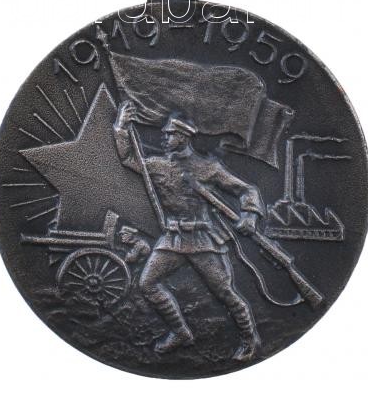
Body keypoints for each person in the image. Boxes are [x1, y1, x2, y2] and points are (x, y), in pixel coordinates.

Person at [113, 100, 263, 361]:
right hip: (172, 238)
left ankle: (250, 339)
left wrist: (250, 215)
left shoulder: (208, 167)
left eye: (169, 134)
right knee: (147, 284)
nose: (164, 138)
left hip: (203, 239)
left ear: (183, 137)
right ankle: (181, 333)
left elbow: (246, 190)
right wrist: (122, 127)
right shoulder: (158, 166)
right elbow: (128, 158)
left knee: (224, 292)